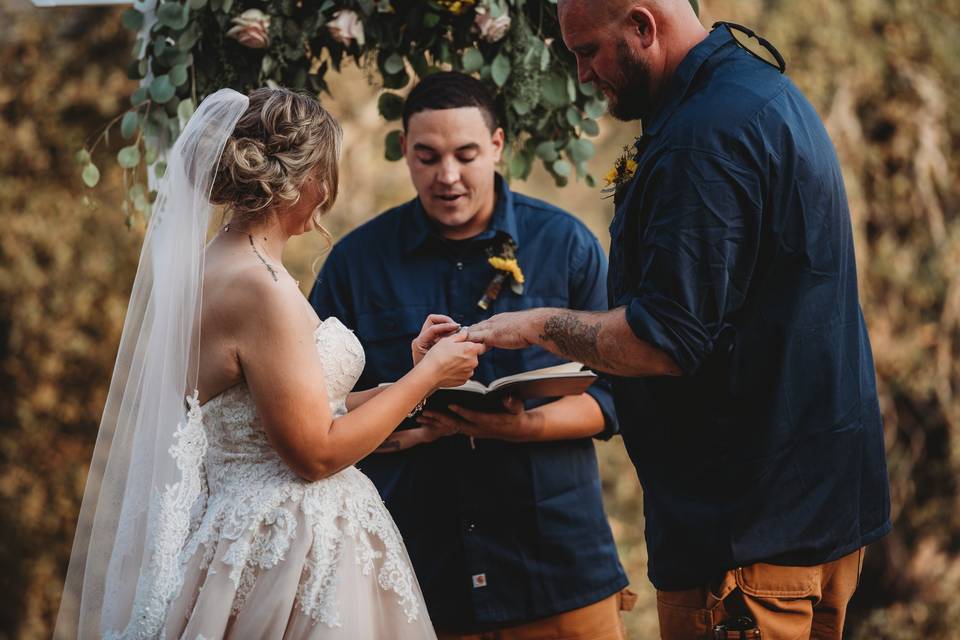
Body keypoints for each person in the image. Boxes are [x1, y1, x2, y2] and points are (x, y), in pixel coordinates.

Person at [466, 2, 892, 638]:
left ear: (643, 26)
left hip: (745, 545)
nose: (581, 74)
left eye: (588, 51)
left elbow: (662, 341)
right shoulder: (757, 90)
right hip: (811, 513)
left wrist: (538, 325)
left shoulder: (705, 137)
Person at [55, 87, 485, 639]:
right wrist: (431, 375)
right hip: (289, 551)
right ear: (303, 179)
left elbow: (306, 409)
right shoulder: (260, 289)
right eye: (325, 173)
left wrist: (411, 378)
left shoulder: (225, 265)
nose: (327, 190)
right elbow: (316, 452)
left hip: (248, 532)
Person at [310, 72, 632, 640]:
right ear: (405, 152)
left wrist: (519, 427)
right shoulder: (355, 263)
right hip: (416, 580)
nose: (448, 176)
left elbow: (620, 397)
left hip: (557, 568)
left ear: (498, 146)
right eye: (427, 157)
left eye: (466, 154)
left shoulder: (566, 244)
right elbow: (317, 411)